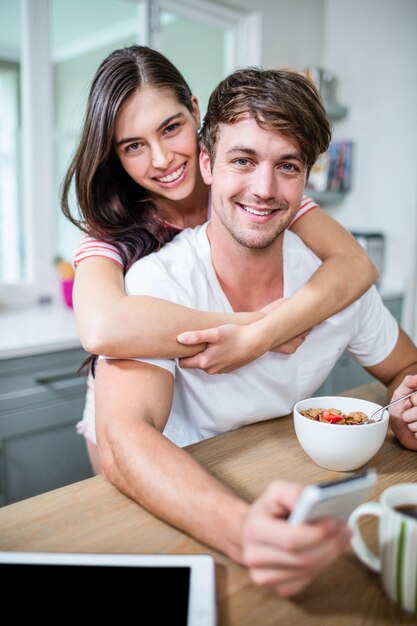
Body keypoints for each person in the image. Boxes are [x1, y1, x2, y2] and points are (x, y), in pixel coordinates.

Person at [94, 66, 417, 597]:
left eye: (286, 166)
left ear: (306, 178)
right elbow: (123, 436)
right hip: (186, 502)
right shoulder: (159, 279)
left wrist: (408, 404)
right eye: (243, 160)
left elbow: (406, 366)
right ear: (207, 165)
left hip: (300, 481)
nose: (264, 190)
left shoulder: (333, 280)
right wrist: (242, 529)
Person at [61, 45, 377, 474]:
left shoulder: (250, 194)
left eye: (171, 128)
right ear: (115, 155)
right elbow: (102, 327)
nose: (162, 158)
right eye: (134, 145)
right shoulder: (113, 232)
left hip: (210, 427)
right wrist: (251, 326)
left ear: (194, 112)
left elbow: (355, 265)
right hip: (124, 409)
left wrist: (261, 337)